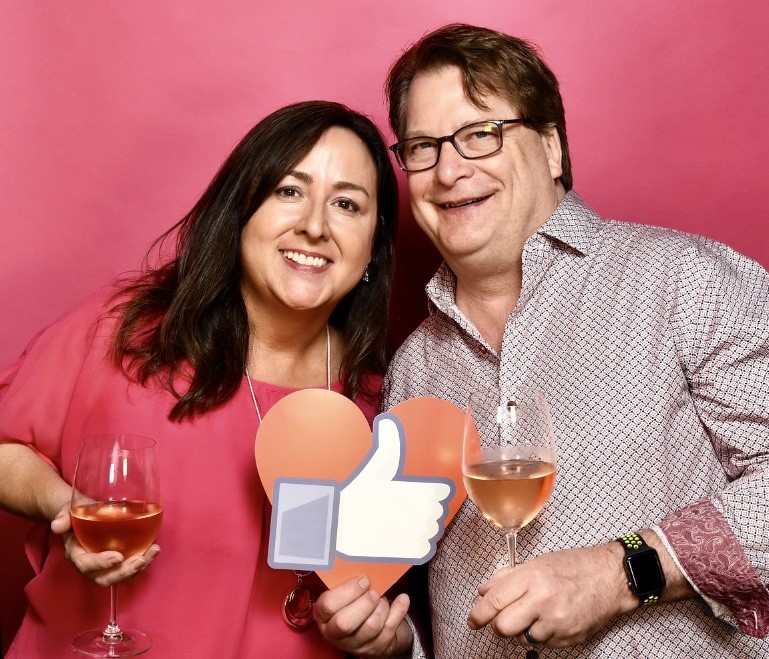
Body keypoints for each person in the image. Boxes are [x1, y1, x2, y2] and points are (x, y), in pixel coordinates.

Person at [313, 23, 769, 658]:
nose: (449, 170)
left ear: (552, 148)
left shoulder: (685, 280)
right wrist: (395, 646)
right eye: (423, 147)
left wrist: (622, 571)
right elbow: (426, 604)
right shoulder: (412, 370)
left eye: (481, 134)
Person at [0, 99, 399, 658]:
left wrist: (383, 636)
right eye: (289, 191)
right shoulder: (125, 330)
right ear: (241, 210)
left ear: (374, 244)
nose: (314, 226)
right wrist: (64, 506)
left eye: (347, 204)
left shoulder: (376, 397)